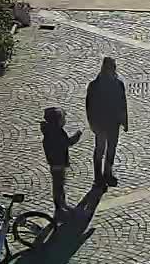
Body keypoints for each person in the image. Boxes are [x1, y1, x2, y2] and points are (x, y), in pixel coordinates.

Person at [84, 57, 128, 187]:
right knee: (100, 149)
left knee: (111, 148)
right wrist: (92, 123)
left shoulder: (118, 84)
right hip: (101, 123)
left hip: (113, 123)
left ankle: (107, 173)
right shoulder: (94, 85)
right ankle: (98, 176)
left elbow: (122, 103)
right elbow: (89, 107)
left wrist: (124, 121)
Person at [41, 106, 81, 216]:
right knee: (59, 186)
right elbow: (66, 143)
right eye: (62, 119)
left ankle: (61, 205)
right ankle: (60, 207)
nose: (64, 121)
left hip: (56, 163)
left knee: (59, 185)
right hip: (57, 163)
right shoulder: (56, 133)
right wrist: (77, 136)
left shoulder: (51, 131)